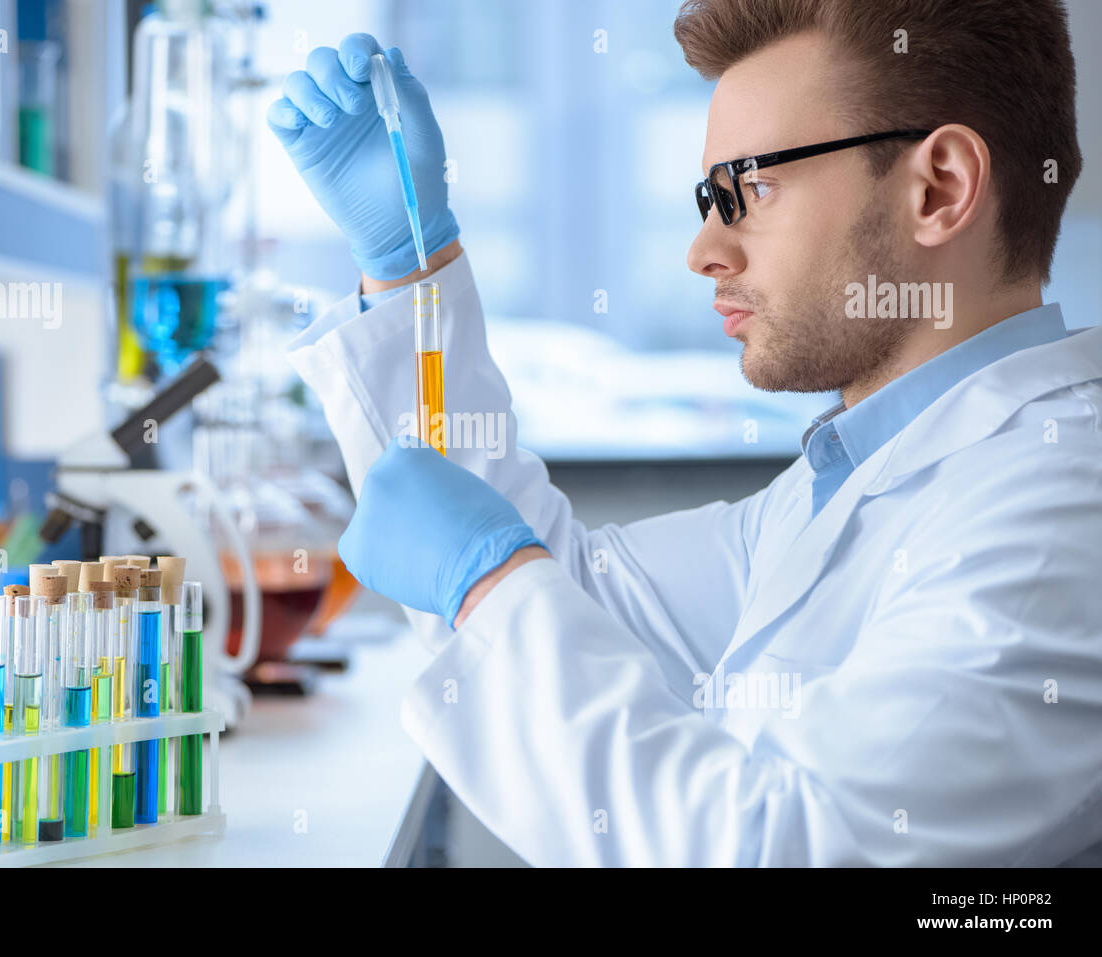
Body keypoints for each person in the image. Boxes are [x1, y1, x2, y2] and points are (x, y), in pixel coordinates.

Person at [267, 0, 1102, 866]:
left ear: (941, 189)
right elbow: (568, 588)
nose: (704, 250)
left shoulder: (1058, 514)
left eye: (750, 188)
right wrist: (411, 271)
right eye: (711, 197)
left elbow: (784, 848)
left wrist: (489, 582)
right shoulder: (849, 483)